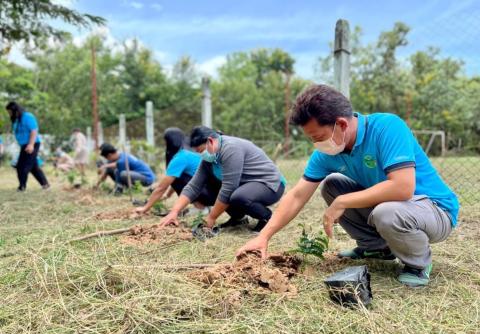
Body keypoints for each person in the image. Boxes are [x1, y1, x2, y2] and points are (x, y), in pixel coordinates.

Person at [236, 84, 459, 287]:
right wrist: (263, 237)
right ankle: (377, 249)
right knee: (333, 186)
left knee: (385, 212)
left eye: (319, 136)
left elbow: (402, 187)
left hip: (436, 211)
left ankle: (418, 265)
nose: (316, 144)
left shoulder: (387, 127)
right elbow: (297, 195)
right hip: (398, 207)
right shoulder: (327, 153)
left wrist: (343, 202)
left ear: (341, 124)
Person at [160, 126, 286, 232]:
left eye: (200, 150)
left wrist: (211, 218)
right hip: (247, 186)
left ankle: (267, 218)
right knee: (214, 185)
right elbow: (194, 185)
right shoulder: (209, 157)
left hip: (270, 185)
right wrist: (174, 211)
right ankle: (238, 218)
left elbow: (229, 188)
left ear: (210, 141)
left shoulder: (230, 148)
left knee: (238, 195)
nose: (200, 155)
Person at [135, 127, 217, 215]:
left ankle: (201, 208)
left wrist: (145, 208)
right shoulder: (187, 151)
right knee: (177, 177)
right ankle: (204, 207)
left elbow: (161, 188)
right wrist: (168, 195)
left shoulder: (180, 157)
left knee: (175, 178)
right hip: (213, 192)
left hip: (210, 194)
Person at [5, 101, 50, 191]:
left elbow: (34, 130)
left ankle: (22, 186)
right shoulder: (17, 119)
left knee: (22, 166)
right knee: (33, 167)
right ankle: (45, 184)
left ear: (15, 110)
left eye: (10, 111)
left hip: (32, 143)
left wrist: (31, 144)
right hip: (24, 145)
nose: (9, 113)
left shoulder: (27, 116)